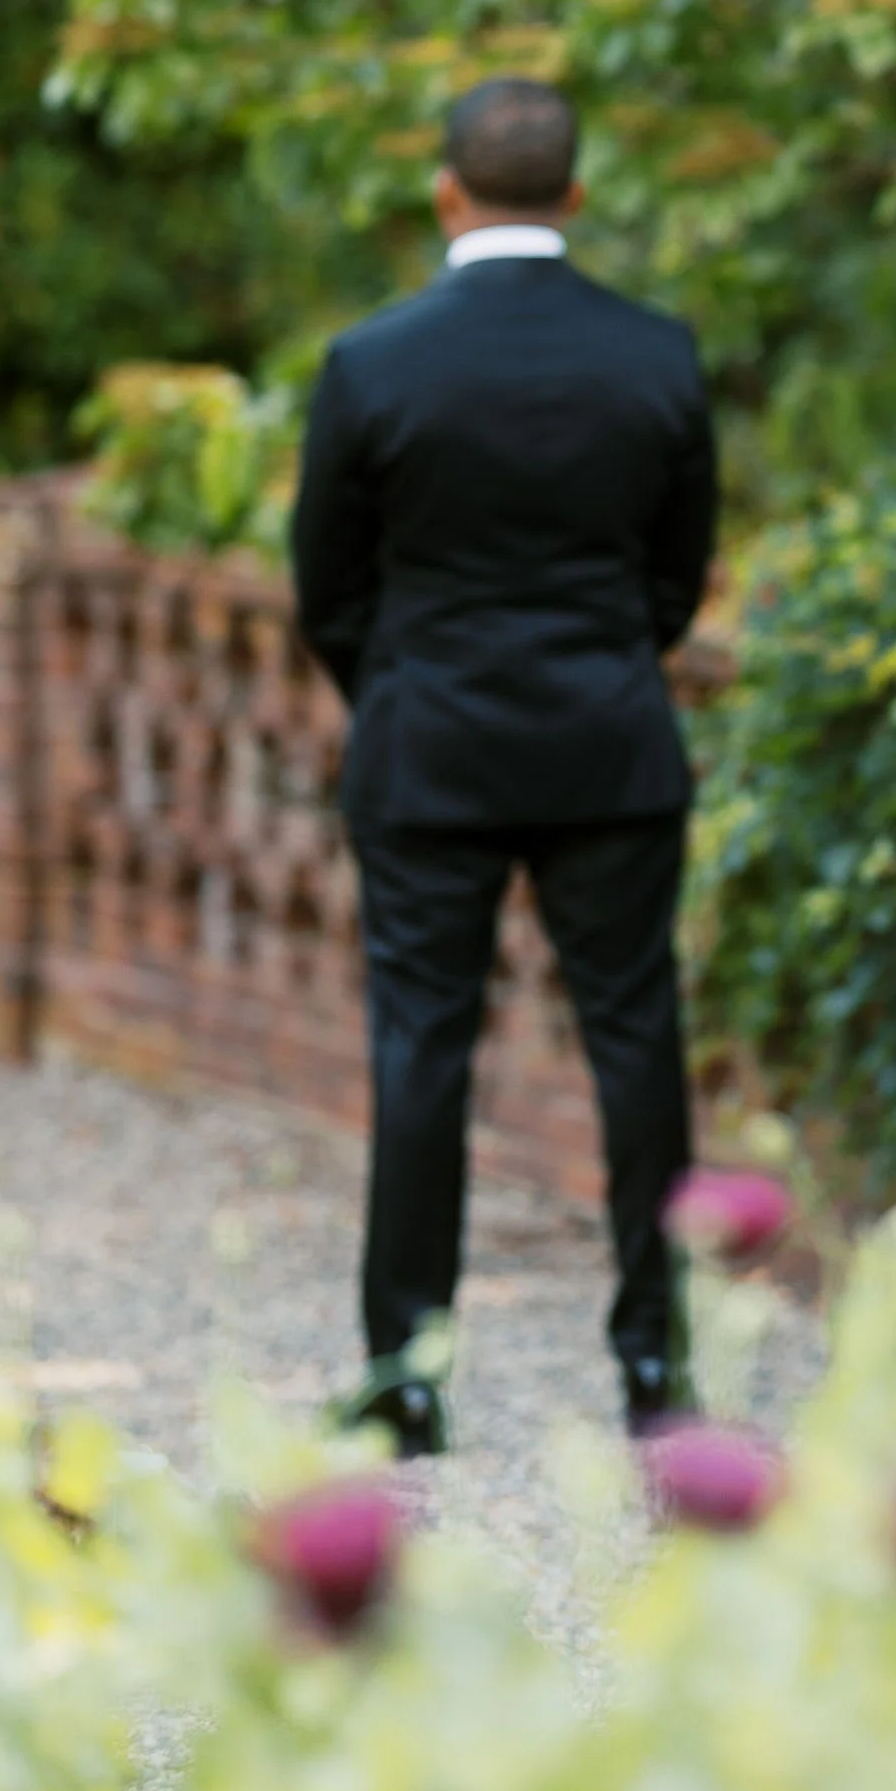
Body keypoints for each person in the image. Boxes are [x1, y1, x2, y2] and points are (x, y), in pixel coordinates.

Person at [292, 77, 717, 1451]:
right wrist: (602, 663)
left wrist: (406, 685)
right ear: (577, 196)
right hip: (608, 742)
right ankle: (657, 1370)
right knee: (637, 1046)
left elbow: (327, 583)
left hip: (429, 753)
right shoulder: (657, 355)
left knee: (420, 1049)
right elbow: (677, 574)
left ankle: (406, 1374)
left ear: (448, 192)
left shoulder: (374, 361)